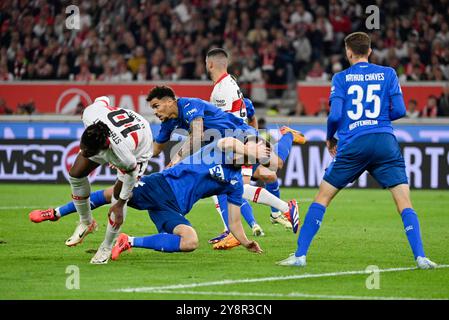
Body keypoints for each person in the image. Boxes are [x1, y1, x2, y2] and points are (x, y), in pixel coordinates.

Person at [277, 32, 437, 269]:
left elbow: (335, 115)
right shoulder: (389, 73)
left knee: (322, 197)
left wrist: (330, 138)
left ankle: (300, 255)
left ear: (348, 52)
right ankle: (421, 257)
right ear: (370, 51)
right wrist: (378, 118)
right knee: (404, 202)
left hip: (354, 144)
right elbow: (401, 109)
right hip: (384, 142)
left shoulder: (341, 78)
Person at [111, 136, 284, 260]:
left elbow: (234, 222)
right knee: (113, 194)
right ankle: (86, 215)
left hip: (173, 208)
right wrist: (252, 149)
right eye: (254, 146)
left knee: (190, 241)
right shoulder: (221, 147)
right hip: (161, 186)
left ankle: (128, 241)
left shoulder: (236, 183)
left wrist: (246, 243)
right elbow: (230, 142)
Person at [30, 96, 153, 264]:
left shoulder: (124, 157)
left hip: (139, 147)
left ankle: (106, 247)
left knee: (117, 199)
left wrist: (120, 203)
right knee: (76, 173)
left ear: (102, 148)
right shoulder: (90, 114)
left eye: (88, 151)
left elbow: (130, 176)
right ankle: (87, 222)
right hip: (119, 132)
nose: (83, 151)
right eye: (82, 146)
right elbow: (103, 99)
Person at [205, 48, 306, 248]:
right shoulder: (230, 84)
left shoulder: (222, 89)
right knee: (262, 173)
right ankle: (282, 208)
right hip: (243, 140)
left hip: (236, 144)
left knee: (225, 184)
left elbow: (225, 122)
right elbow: (246, 114)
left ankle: (234, 230)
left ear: (209, 64)